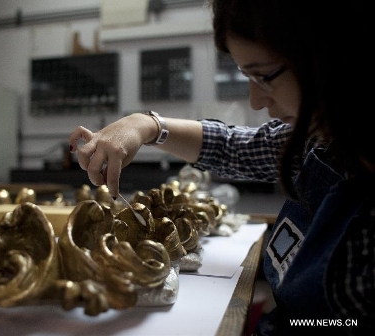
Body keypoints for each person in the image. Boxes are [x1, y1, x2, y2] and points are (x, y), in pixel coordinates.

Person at [68, 0, 373, 334]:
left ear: (334, 52)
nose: (256, 100)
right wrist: (146, 126)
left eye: (264, 76)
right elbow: (234, 146)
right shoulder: (322, 139)